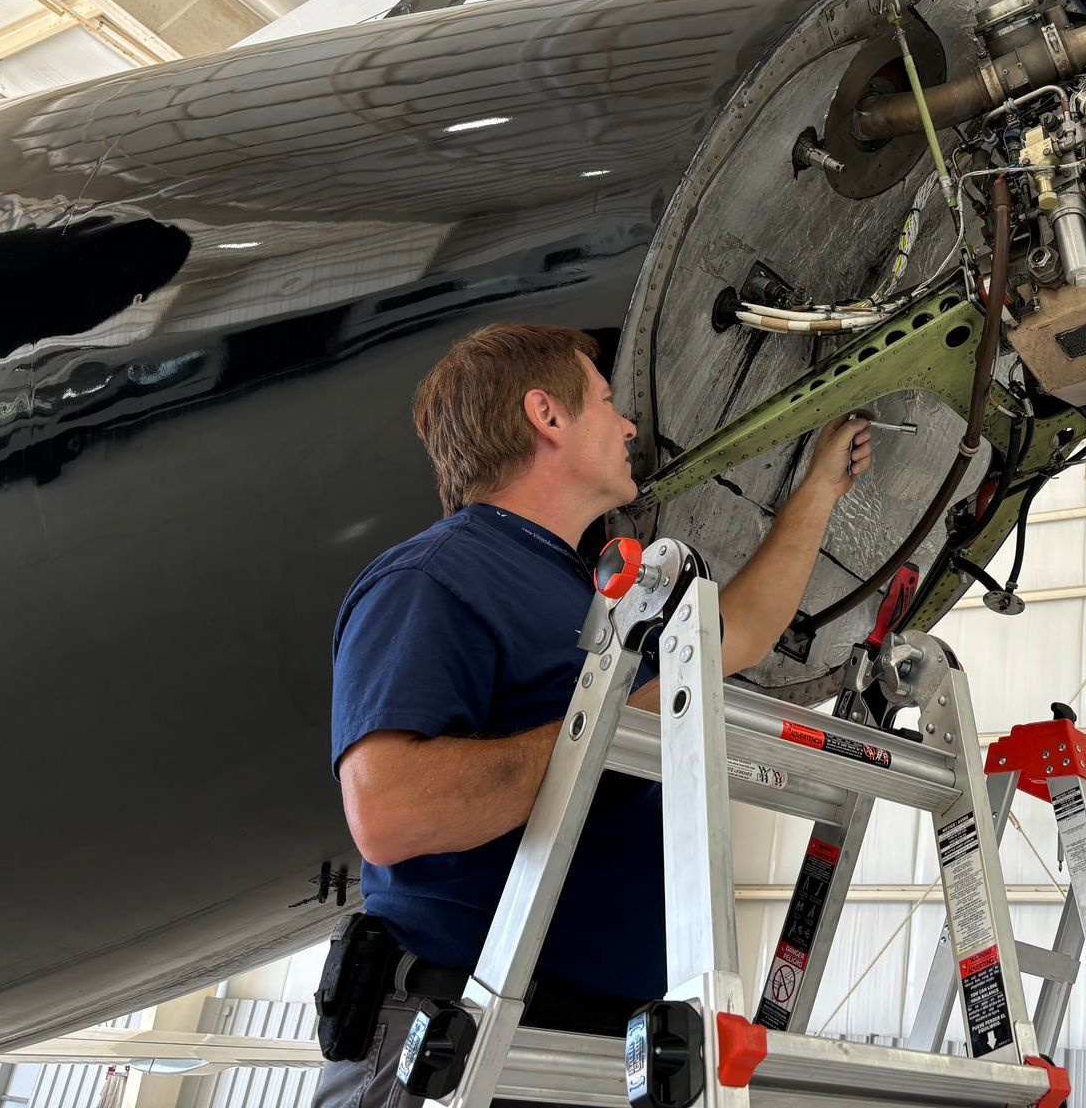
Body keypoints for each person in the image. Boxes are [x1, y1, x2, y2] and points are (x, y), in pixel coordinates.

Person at [314, 323, 871, 1108]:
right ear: (547, 415)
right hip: (456, 1055)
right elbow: (392, 808)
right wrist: (615, 724)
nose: (629, 425)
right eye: (607, 403)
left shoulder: (587, 594)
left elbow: (735, 635)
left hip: (586, 1053)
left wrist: (820, 489)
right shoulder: (433, 576)